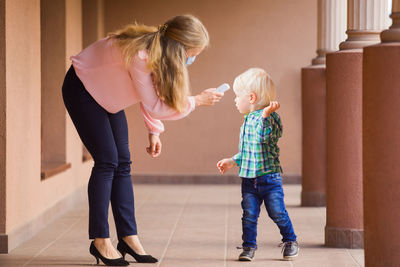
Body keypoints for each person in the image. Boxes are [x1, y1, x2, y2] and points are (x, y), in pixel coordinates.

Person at [62, 14, 223, 266]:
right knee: (107, 161)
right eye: (193, 53)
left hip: (106, 97)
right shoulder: (142, 55)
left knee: (123, 161)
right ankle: (100, 241)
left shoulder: (158, 52)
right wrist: (198, 100)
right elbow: (156, 104)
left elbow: (149, 93)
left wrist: (154, 130)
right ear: (178, 47)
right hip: (82, 88)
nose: (193, 59)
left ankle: (128, 237)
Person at [216, 68, 299, 261]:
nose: (235, 100)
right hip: (249, 180)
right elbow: (248, 151)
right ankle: (249, 247)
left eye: (237, 96)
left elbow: (265, 138)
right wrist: (232, 161)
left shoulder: (270, 117)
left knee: (277, 212)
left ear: (251, 97)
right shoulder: (247, 120)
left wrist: (264, 116)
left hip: (269, 178)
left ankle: (290, 241)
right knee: (249, 215)